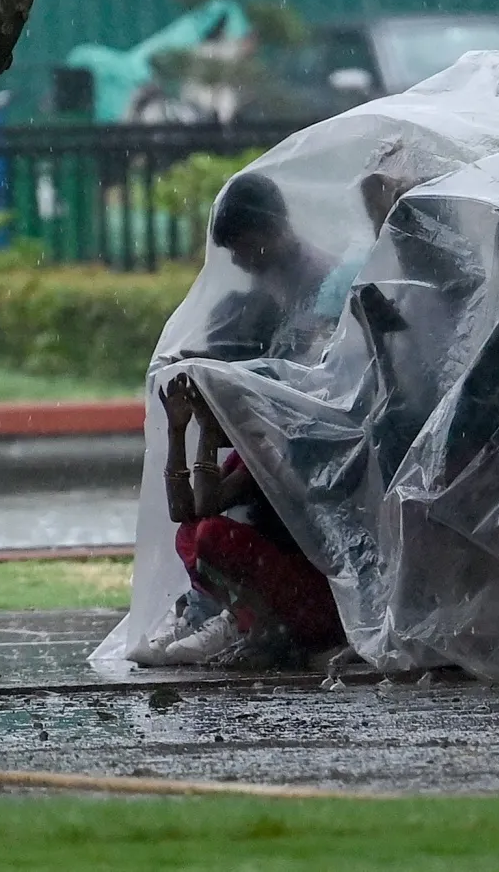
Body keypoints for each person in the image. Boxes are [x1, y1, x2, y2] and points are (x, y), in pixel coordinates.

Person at [145, 370, 345, 666]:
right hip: (286, 590)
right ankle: (249, 622)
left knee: (211, 534)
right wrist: (177, 431)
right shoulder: (245, 453)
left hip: (313, 603)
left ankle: (268, 632)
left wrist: (209, 431)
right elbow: (183, 512)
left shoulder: (271, 451)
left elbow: (207, 503)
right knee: (189, 533)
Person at [194, 173, 336, 363]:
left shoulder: (322, 280)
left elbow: (302, 360)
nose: (236, 260)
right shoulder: (270, 272)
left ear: (272, 229)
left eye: (244, 247)